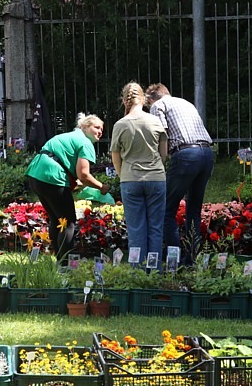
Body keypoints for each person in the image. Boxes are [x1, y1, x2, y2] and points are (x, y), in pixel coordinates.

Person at [25, 113, 109, 263]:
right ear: (84, 127)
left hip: (36, 174)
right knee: (68, 221)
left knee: (56, 219)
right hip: (52, 177)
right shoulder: (85, 142)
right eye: (96, 127)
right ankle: (65, 264)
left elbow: (70, 167)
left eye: (102, 129)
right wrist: (102, 187)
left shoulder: (68, 136)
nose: (100, 131)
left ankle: (59, 260)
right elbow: (83, 174)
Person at [145, 83, 214, 266]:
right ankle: (192, 260)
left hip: (184, 155)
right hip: (207, 153)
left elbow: (161, 135)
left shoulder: (158, 106)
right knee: (194, 209)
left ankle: (174, 261)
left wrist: (158, 162)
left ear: (151, 98)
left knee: (167, 210)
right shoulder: (185, 103)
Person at [110, 82, 167, 269]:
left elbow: (116, 157)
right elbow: (163, 153)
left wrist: (122, 175)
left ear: (124, 100)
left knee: (136, 230)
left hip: (130, 179)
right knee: (155, 229)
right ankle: (154, 271)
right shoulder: (156, 121)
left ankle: (138, 273)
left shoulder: (120, 125)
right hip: (156, 179)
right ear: (143, 98)